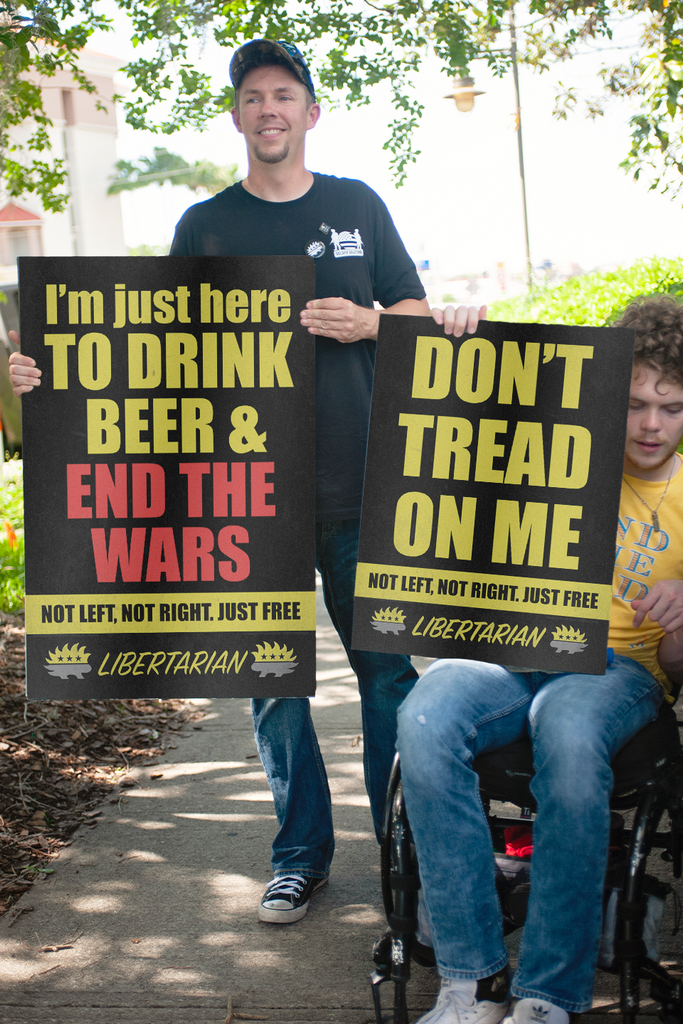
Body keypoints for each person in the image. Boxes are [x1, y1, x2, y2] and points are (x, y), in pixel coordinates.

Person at [9, 38, 483, 925]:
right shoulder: (204, 225)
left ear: (311, 112)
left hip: (356, 488)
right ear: (236, 114)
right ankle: (298, 857)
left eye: (284, 94)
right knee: (269, 687)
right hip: (249, 499)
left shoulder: (357, 205)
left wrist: (369, 323)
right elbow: (154, 350)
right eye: (253, 95)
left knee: (388, 682)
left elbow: (414, 313)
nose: (269, 108)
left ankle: (405, 850)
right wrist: (50, 380)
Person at [396, 295, 683, 1024]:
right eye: (634, 402)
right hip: (514, 648)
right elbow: (466, 409)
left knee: (566, 725)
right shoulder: (555, 447)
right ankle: (473, 978)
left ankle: (548, 992)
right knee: (425, 712)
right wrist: (455, 335)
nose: (650, 424)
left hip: (616, 670)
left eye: (672, 407)